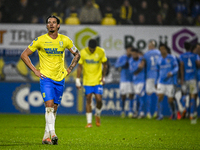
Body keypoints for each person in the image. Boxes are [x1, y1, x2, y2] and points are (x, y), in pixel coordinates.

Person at [20, 15, 80, 145]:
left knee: (54, 107)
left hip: (60, 79)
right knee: (49, 107)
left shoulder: (65, 40)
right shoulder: (40, 40)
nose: (51, 24)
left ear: (58, 25)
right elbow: (24, 55)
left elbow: (77, 54)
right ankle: (53, 134)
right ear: (46, 25)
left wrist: (69, 69)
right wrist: (35, 70)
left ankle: (46, 137)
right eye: (49, 22)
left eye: (54, 22)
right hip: (46, 78)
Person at [76, 39, 107, 128]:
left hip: (98, 80)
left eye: (93, 49)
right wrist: (78, 80)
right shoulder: (83, 52)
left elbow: (105, 64)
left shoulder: (101, 51)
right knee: (88, 99)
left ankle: (97, 114)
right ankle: (89, 122)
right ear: (88, 47)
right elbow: (80, 66)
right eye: (90, 49)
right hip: (87, 80)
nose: (92, 51)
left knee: (99, 100)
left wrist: (103, 77)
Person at [136, 40, 161, 119]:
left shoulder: (146, 54)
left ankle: (148, 113)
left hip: (149, 76)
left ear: (150, 46)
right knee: (158, 95)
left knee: (149, 94)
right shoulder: (159, 53)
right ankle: (157, 112)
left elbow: (141, 65)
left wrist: (136, 71)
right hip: (158, 76)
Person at [156, 43, 179, 120]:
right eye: (161, 49)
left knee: (170, 100)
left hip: (170, 82)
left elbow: (176, 68)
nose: (162, 50)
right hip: (161, 81)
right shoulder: (159, 59)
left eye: (163, 49)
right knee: (160, 97)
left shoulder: (172, 58)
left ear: (166, 49)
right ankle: (159, 115)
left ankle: (174, 113)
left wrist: (171, 73)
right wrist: (156, 81)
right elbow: (157, 71)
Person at [179, 42, 200, 120]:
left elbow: (181, 67)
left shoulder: (181, 56)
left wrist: (182, 79)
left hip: (185, 79)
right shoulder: (195, 56)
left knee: (184, 94)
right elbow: (198, 64)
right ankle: (191, 114)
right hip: (192, 79)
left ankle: (184, 109)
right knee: (192, 95)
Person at [115, 45, 134, 118]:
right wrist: (123, 64)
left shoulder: (133, 58)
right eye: (129, 50)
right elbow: (116, 65)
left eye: (131, 50)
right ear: (126, 50)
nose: (129, 51)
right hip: (124, 79)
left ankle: (130, 111)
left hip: (131, 79)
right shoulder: (122, 57)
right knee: (123, 96)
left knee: (131, 95)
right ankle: (122, 111)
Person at [129, 48, 145, 119]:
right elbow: (132, 71)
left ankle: (140, 112)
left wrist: (141, 67)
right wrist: (139, 68)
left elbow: (145, 64)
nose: (133, 55)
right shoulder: (131, 61)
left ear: (138, 54)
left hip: (142, 81)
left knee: (139, 95)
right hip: (135, 81)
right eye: (132, 54)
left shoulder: (142, 59)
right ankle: (137, 112)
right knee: (137, 97)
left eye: (135, 54)